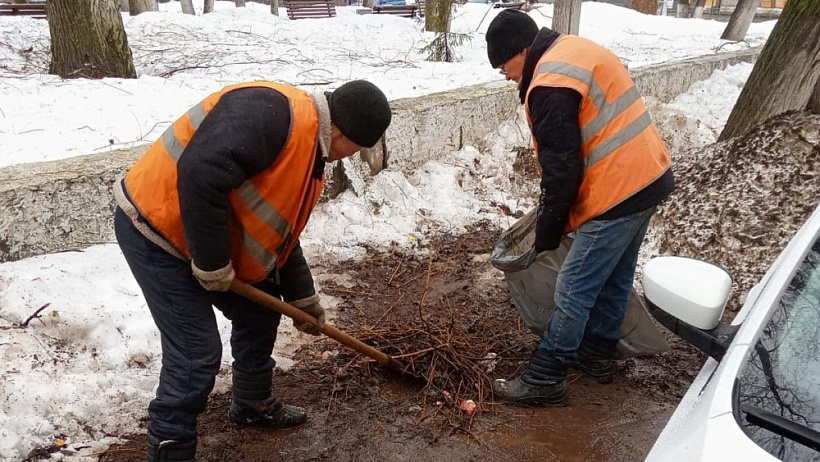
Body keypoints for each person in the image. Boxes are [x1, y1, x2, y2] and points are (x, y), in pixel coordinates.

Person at [113, 79, 392, 461]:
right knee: (196, 353)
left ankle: (251, 403)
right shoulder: (273, 115)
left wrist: (302, 297)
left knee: (261, 312)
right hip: (155, 228)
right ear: (344, 134)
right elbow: (198, 172)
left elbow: (277, 230)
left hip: (203, 232)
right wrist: (213, 264)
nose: (350, 157)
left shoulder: (310, 148)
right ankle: (170, 448)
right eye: (356, 150)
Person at [485, 10, 674, 406]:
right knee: (615, 274)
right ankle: (598, 352)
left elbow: (562, 168)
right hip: (647, 175)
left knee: (574, 286)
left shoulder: (550, 84)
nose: (503, 74)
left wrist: (550, 229)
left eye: (504, 64)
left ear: (523, 51)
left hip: (618, 189)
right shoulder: (572, 50)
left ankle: (546, 375)